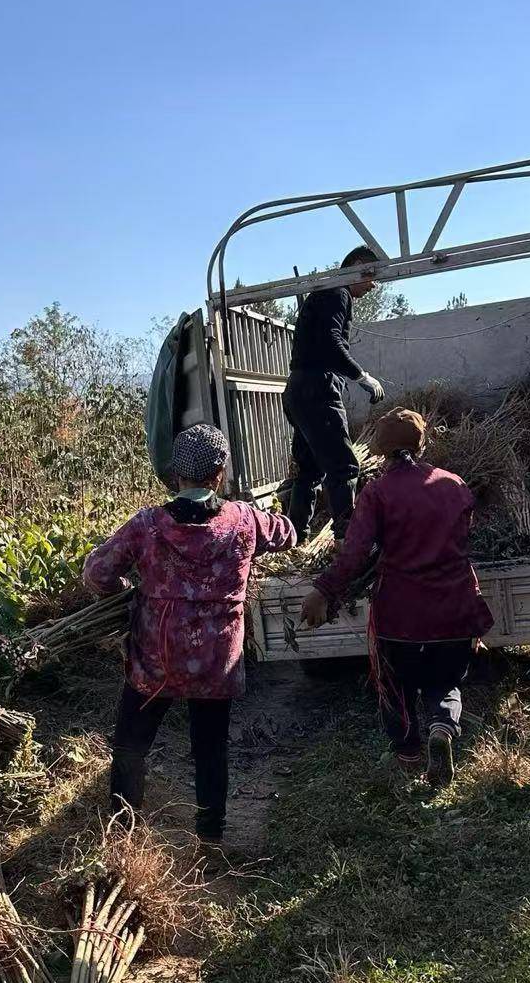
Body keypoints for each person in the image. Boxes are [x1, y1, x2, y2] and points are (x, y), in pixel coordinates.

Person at [83, 423, 295, 844]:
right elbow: (287, 533)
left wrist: (125, 590)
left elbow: (96, 573)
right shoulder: (243, 519)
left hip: (156, 658)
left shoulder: (147, 525)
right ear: (218, 474)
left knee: (131, 742)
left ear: (175, 473)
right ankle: (210, 838)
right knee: (211, 748)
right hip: (216, 663)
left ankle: (122, 830)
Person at [299, 408, 492, 785]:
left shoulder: (377, 492)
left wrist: (323, 589)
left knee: (395, 686)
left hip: (400, 615)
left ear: (379, 449)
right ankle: (441, 727)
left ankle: (408, 756)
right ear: (422, 443)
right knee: (445, 681)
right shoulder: (454, 483)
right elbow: (465, 536)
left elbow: (355, 553)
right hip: (454, 608)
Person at [284, 244, 386, 541]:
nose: (372, 286)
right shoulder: (337, 292)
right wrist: (361, 376)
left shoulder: (324, 292)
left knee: (309, 468)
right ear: (357, 266)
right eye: (371, 277)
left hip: (298, 389)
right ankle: (347, 541)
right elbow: (331, 340)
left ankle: (295, 536)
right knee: (343, 465)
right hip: (318, 389)